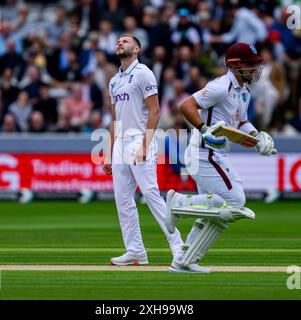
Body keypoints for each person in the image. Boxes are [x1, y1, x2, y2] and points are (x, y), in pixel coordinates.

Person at [165, 43, 276, 273]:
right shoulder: (221, 86)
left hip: (215, 153)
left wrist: (258, 137)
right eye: (251, 65)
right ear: (235, 65)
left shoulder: (244, 90)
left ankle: (184, 260)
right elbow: (186, 105)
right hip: (205, 153)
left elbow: (242, 122)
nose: (255, 70)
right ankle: (178, 203)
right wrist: (203, 128)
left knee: (217, 213)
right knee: (234, 201)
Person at [103, 34, 184, 266]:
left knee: (150, 194)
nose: (120, 43)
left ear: (137, 49)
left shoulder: (143, 73)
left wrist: (145, 146)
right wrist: (109, 151)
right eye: (118, 41)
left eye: (126, 41)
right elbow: (114, 119)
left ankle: (179, 246)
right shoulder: (114, 81)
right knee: (123, 199)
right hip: (120, 143)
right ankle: (135, 250)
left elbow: (155, 111)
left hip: (139, 139)